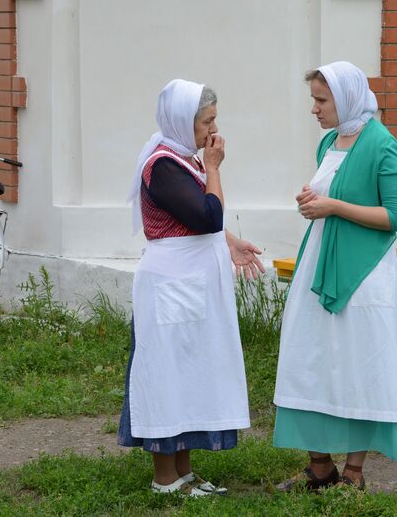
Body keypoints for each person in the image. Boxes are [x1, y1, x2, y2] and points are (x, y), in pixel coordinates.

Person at [118, 79, 265, 496]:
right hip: (171, 285)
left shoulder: (184, 160)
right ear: (183, 123)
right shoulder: (163, 166)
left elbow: (198, 220)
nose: (212, 130)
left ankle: (183, 471)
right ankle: (165, 478)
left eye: (213, 119)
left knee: (190, 376)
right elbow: (206, 216)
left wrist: (230, 244)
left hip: (189, 285)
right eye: (206, 121)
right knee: (167, 376)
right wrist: (216, 168)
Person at [273, 61, 397, 491]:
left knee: (357, 363)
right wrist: (313, 199)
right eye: (313, 98)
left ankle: (353, 473)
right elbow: (332, 193)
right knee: (311, 358)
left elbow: (396, 215)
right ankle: (320, 467)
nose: (314, 108)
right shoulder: (330, 141)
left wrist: (332, 207)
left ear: (347, 97)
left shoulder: (382, 144)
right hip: (319, 264)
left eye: (321, 99)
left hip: (363, 274)